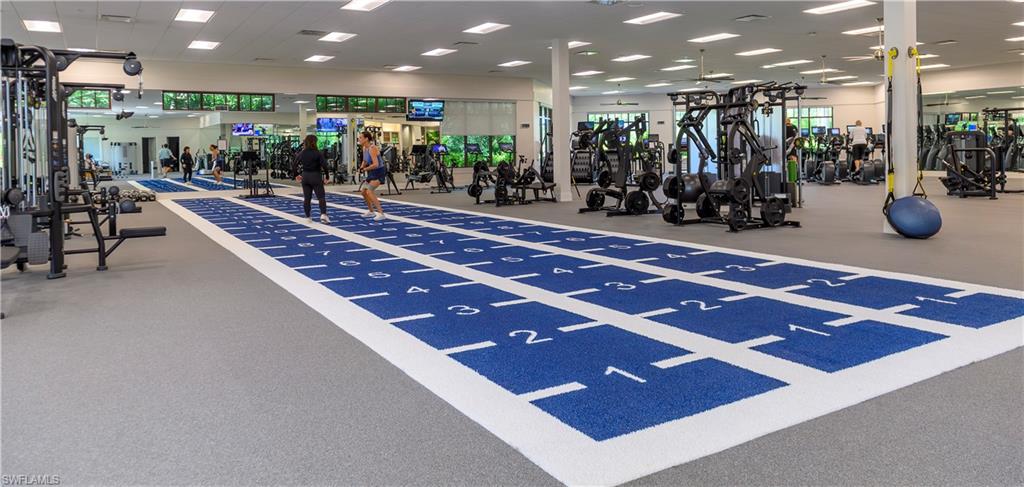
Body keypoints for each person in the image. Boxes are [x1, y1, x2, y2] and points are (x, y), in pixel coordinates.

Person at [291, 134, 331, 224]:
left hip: (305, 176)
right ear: (315, 142)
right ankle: (323, 215)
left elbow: (294, 165)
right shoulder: (318, 153)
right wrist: (327, 177)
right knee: (321, 197)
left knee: (307, 198)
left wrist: (296, 174)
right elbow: (325, 166)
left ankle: (308, 217)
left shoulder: (302, 153)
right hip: (316, 176)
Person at [357, 130, 386, 221]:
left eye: (361, 137)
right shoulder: (364, 148)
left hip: (379, 171)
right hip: (372, 171)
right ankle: (371, 211)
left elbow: (376, 164)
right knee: (363, 192)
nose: (359, 139)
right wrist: (361, 167)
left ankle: (381, 213)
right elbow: (365, 160)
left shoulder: (372, 148)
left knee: (369, 191)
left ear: (366, 139)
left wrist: (365, 169)